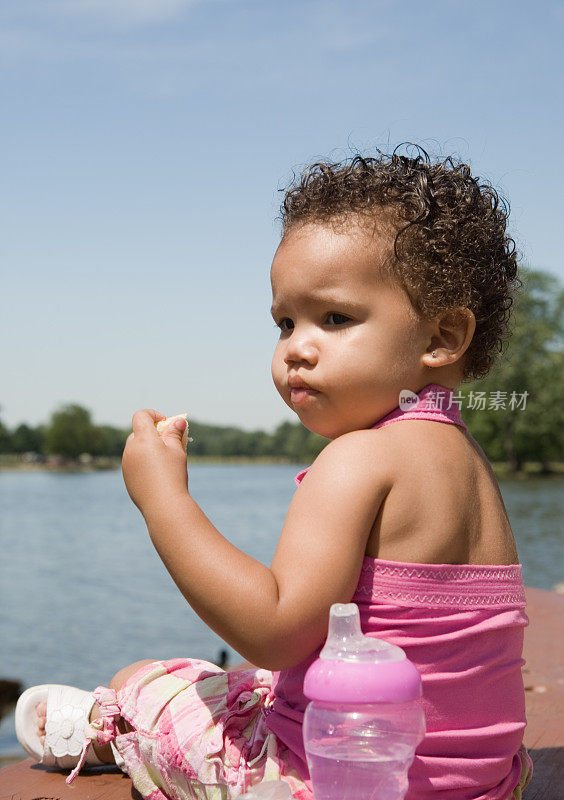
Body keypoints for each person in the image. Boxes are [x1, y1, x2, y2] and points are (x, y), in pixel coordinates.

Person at [16, 146, 533, 800]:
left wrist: (163, 500)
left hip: (331, 780)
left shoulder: (358, 458)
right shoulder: (465, 460)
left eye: (334, 318)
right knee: (251, 680)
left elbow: (277, 629)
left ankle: (112, 728)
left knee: (142, 678)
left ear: (443, 337)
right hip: (481, 783)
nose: (295, 348)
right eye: (285, 322)